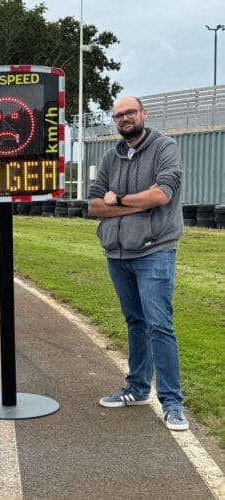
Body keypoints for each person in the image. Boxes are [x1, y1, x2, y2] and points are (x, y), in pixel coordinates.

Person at [87, 96, 189, 431]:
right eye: (119, 115)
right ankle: (138, 388)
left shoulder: (164, 147)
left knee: (159, 324)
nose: (125, 118)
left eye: (130, 112)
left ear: (143, 114)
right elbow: (94, 206)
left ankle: (172, 403)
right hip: (117, 253)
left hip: (154, 251)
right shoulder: (110, 156)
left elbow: (161, 195)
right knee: (135, 323)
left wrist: (119, 200)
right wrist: (135, 205)